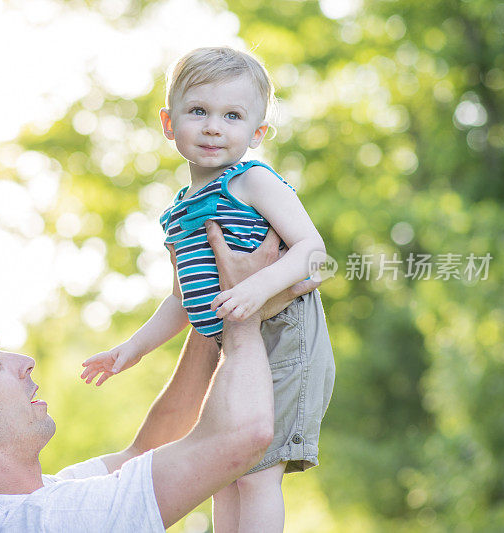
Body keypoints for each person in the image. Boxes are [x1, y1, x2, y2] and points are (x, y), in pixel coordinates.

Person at [0, 223, 315, 532]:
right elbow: (243, 435)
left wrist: (205, 299)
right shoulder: (43, 523)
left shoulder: (30, 508)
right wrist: (243, 312)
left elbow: (145, 452)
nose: (24, 363)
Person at [80, 47, 336, 532]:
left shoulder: (252, 181)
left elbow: (313, 253)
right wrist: (131, 349)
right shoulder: (177, 213)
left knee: (256, 467)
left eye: (232, 116)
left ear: (256, 133)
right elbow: (180, 298)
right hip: (232, 344)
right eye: (198, 111)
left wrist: (256, 289)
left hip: (284, 331)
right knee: (221, 468)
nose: (214, 126)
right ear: (168, 123)